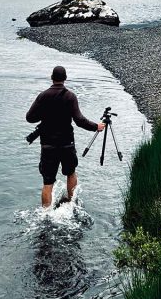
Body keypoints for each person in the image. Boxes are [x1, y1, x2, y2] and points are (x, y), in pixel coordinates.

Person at [26, 65, 104, 208]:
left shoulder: (42, 96)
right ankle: (72, 204)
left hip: (47, 145)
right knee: (71, 173)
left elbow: (29, 118)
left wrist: (44, 115)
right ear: (65, 79)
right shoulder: (70, 96)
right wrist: (96, 127)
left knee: (47, 182)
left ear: (52, 77)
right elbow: (80, 121)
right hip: (67, 144)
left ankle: (45, 214)